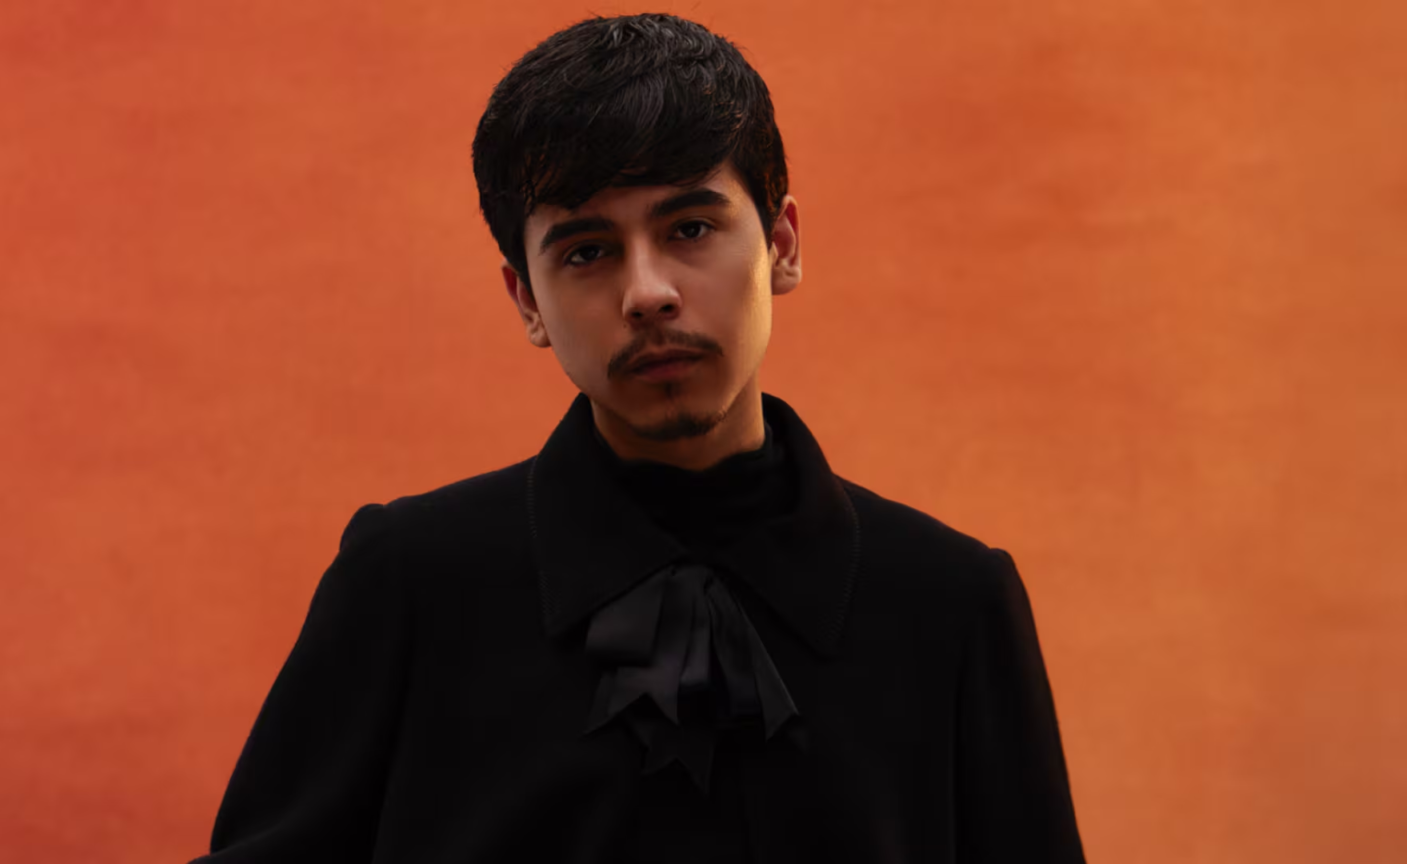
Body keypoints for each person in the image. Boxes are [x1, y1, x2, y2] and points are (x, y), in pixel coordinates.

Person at [192, 13, 1086, 863]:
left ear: (781, 243)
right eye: (587, 251)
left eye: (690, 228)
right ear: (525, 299)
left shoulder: (951, 604)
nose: (648, 293)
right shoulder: (408, 583)